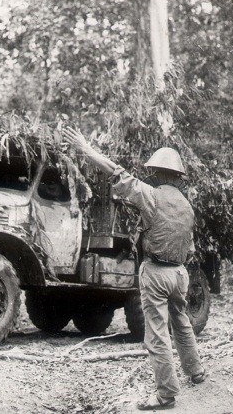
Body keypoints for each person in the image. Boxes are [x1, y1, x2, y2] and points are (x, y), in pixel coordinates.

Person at [63, 127, 205, 411]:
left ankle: (166, 395)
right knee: (181, 321)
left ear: (157, 173)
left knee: (157, 334)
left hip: (157, 272)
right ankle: (196, 371)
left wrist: (87, 149)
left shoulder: (151, 195)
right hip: (180, 274)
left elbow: (116, 172)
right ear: (178, 176)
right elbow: (189, 248)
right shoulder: (187, 207)